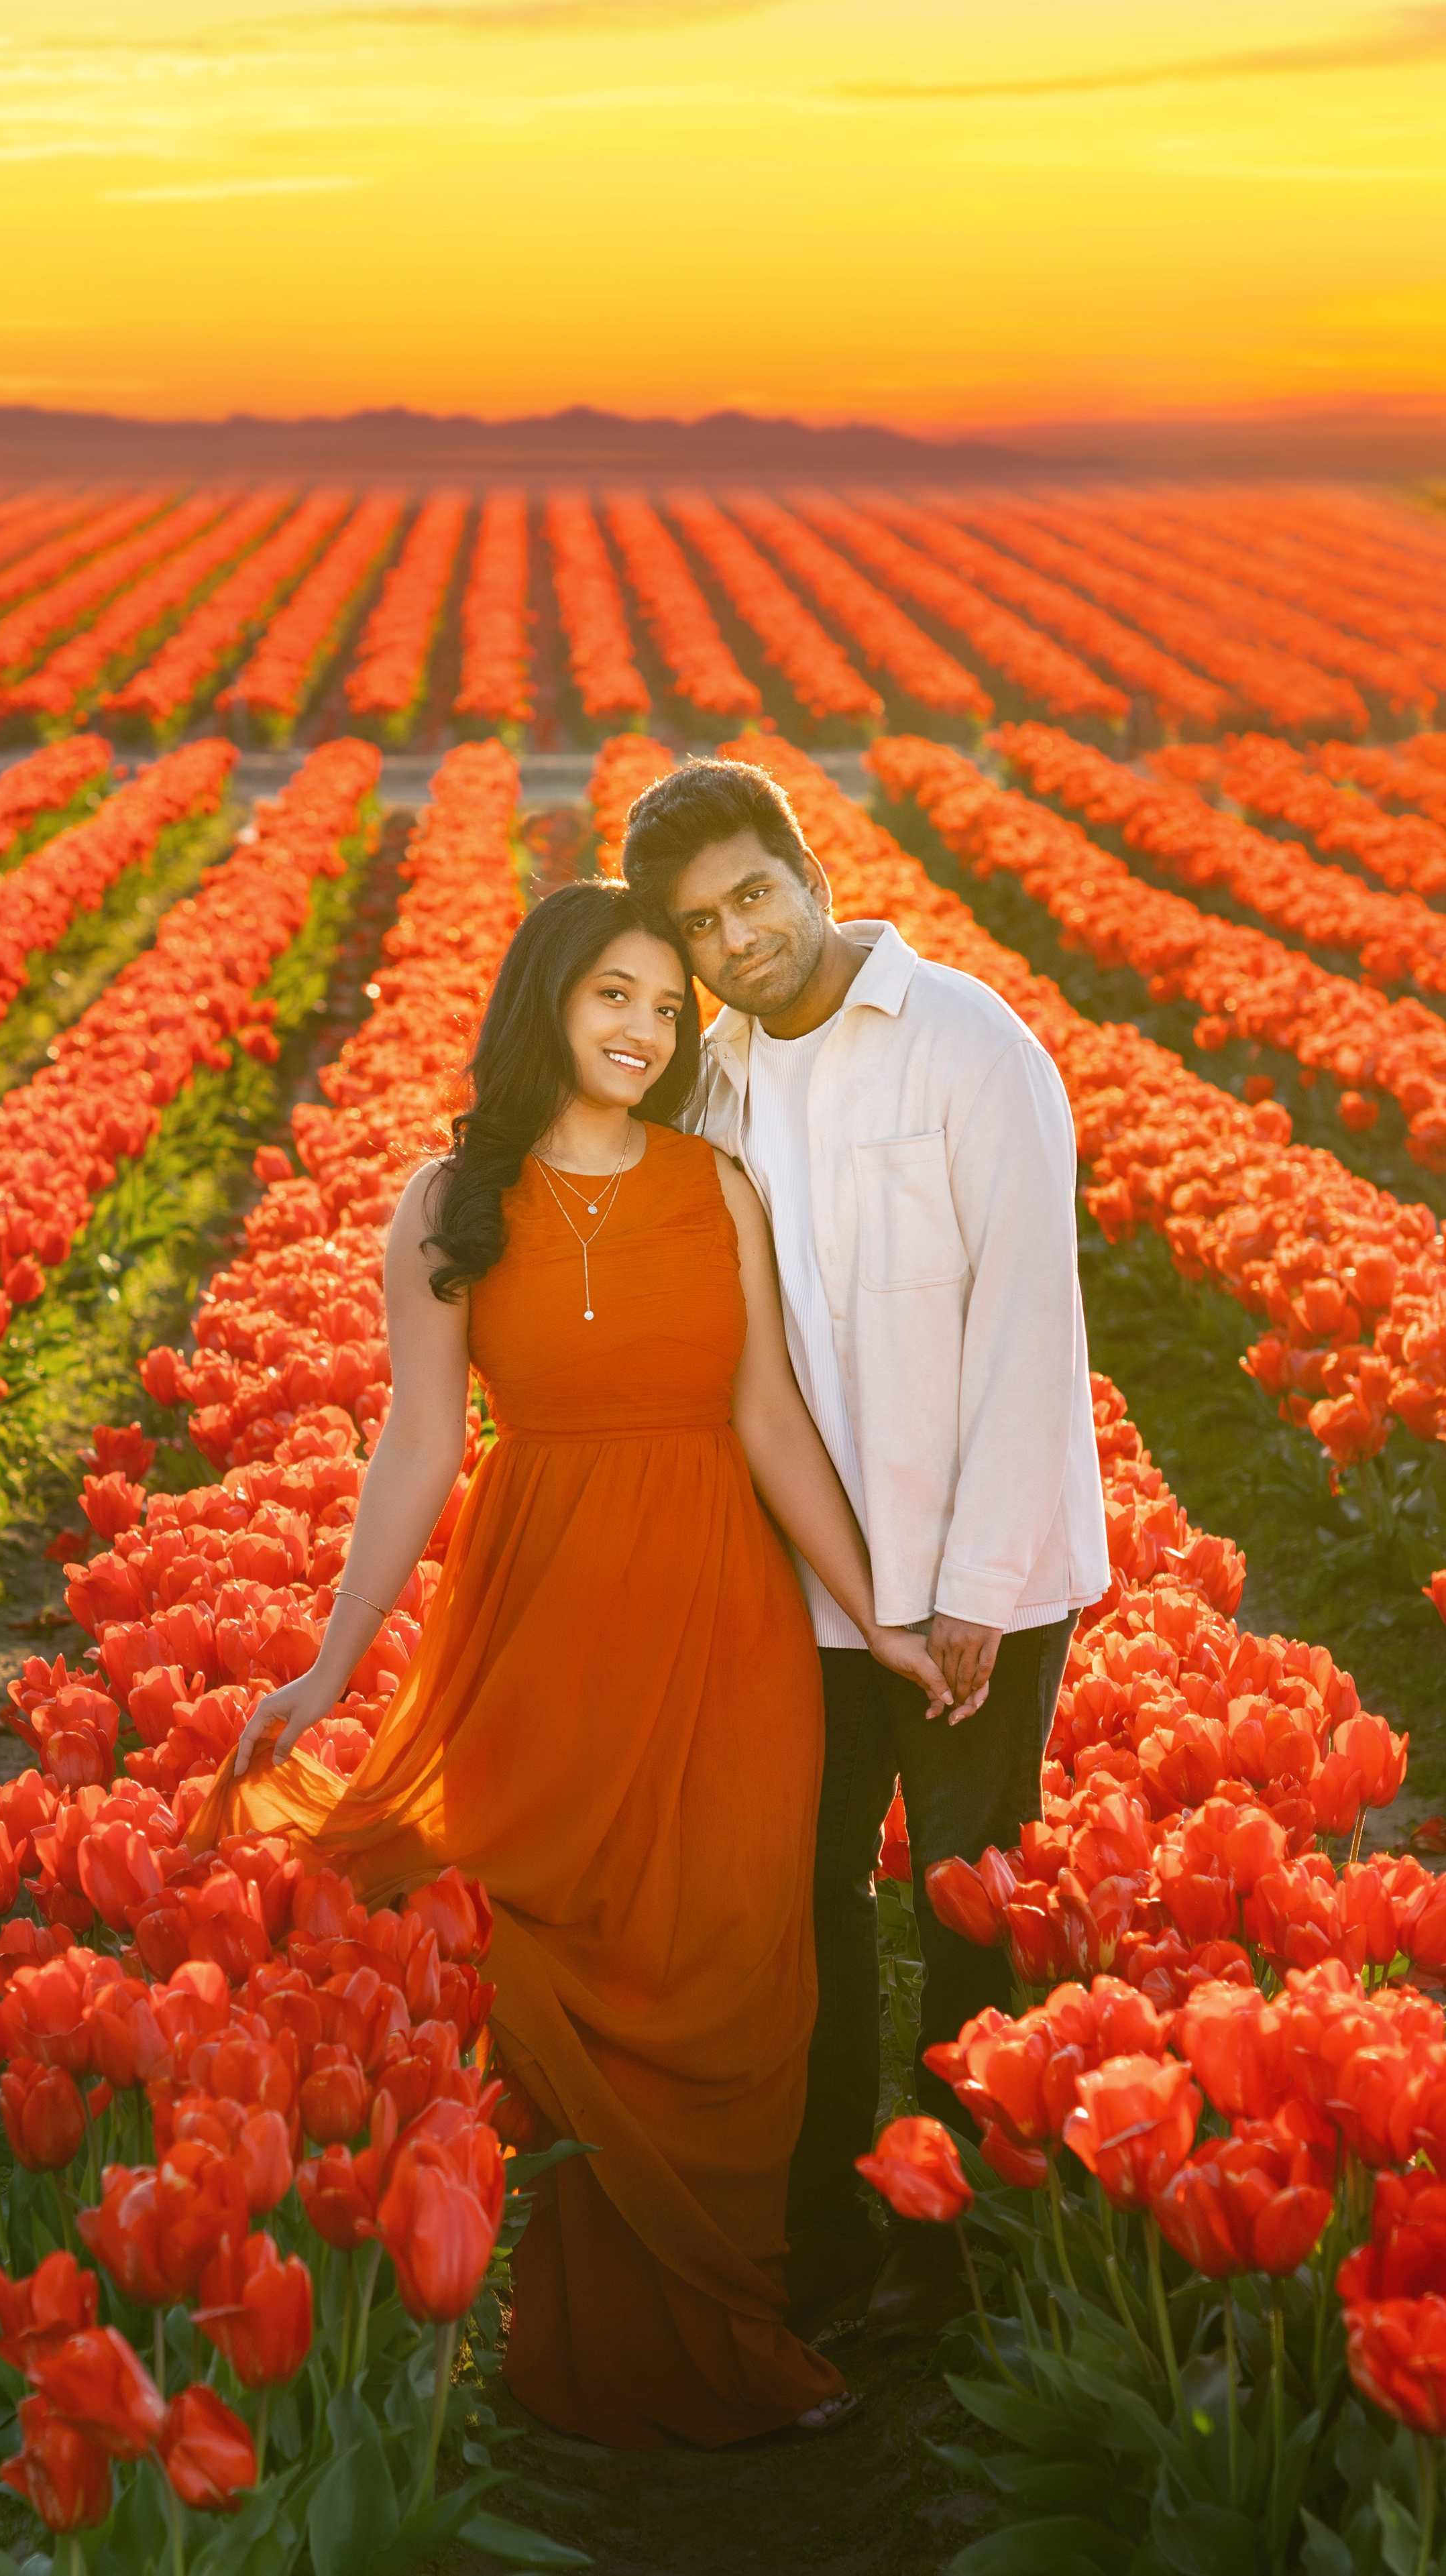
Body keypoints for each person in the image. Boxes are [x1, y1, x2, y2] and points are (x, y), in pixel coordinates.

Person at [190, 879, 948, 2447]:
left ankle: (733, 2338)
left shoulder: (713, 1183)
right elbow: (417, 1445)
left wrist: (873, 1616)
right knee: (584, 1966)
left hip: (728, 1623)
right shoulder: (448, 1201)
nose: (644, 1029)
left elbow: (767, 1422)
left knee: (738, 1967)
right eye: (616, 992)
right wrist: (331, 1666)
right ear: (546, 995)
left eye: (669, 1008)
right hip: (542, 1621)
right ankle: (589, 2364)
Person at [620, 757, 1108, 2336]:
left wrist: (972, 1586)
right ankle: (824, 2219)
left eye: (752, 893)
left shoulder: (969, 1043)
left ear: (809, 872)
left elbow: (1032, 1322)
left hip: (978, 1585)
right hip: (803, 1583)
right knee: (811, 1896)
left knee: (962, 1903)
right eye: (700, 926)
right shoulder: (719, 1080)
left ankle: (946, 2240)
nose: (737, 939)